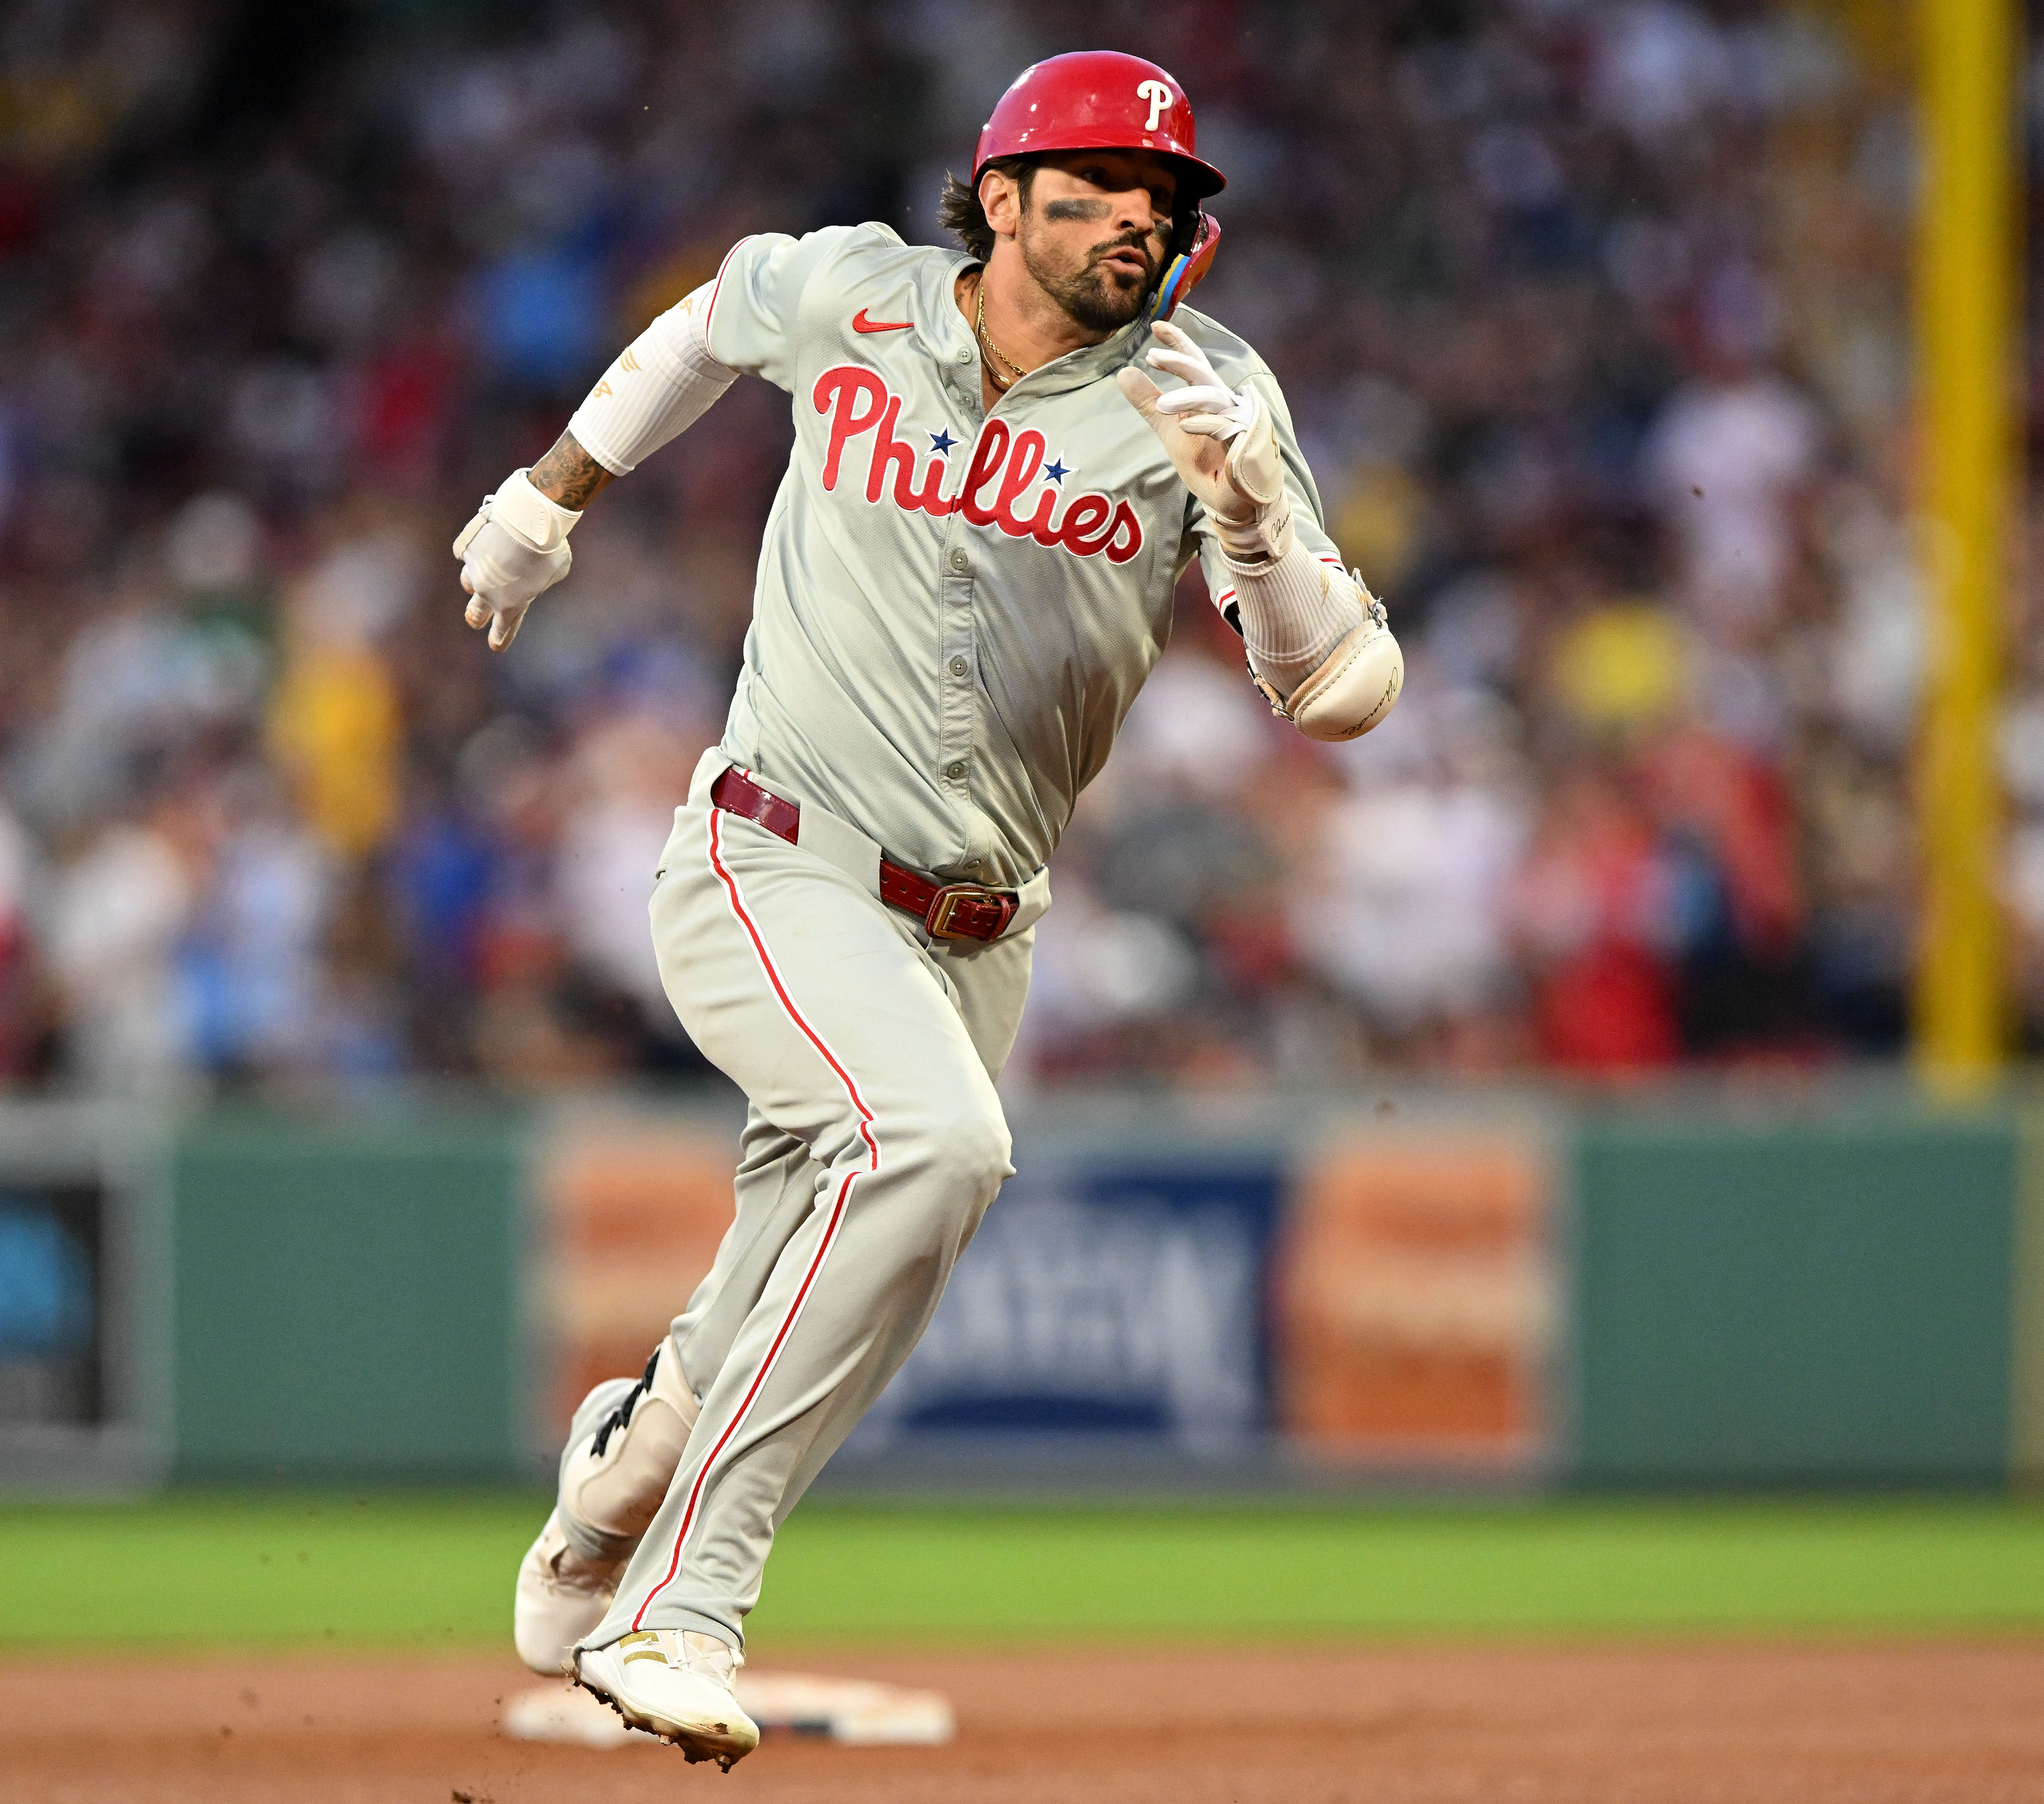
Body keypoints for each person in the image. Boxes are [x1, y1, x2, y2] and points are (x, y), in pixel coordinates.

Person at [454, 49, 1400, 1769]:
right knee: (933, 1147)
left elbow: (1338, 692)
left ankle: (628, 1457)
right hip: (768, 852)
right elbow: (703, 324)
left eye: (1168, 195)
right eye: (1102, 183)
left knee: (812, 1247)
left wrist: (1256, 509)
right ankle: (680, 1600)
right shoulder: (858, 295)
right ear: (1004, 192)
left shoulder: (1206, 387)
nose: (1141, 215)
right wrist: (547, 497)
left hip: (980, 925)